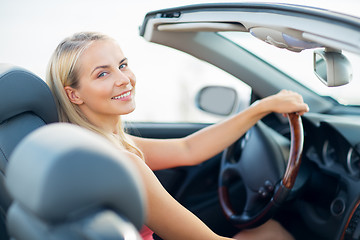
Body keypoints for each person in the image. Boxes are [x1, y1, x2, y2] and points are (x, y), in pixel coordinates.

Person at [46, 32, 309, 240]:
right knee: (273, 233)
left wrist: (261, 107)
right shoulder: (124, 163)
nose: (124, 79)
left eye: (122, 65)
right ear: (74, 94)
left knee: (269, 231)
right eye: (102, 73)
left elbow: (188, 149)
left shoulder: (99, 144)